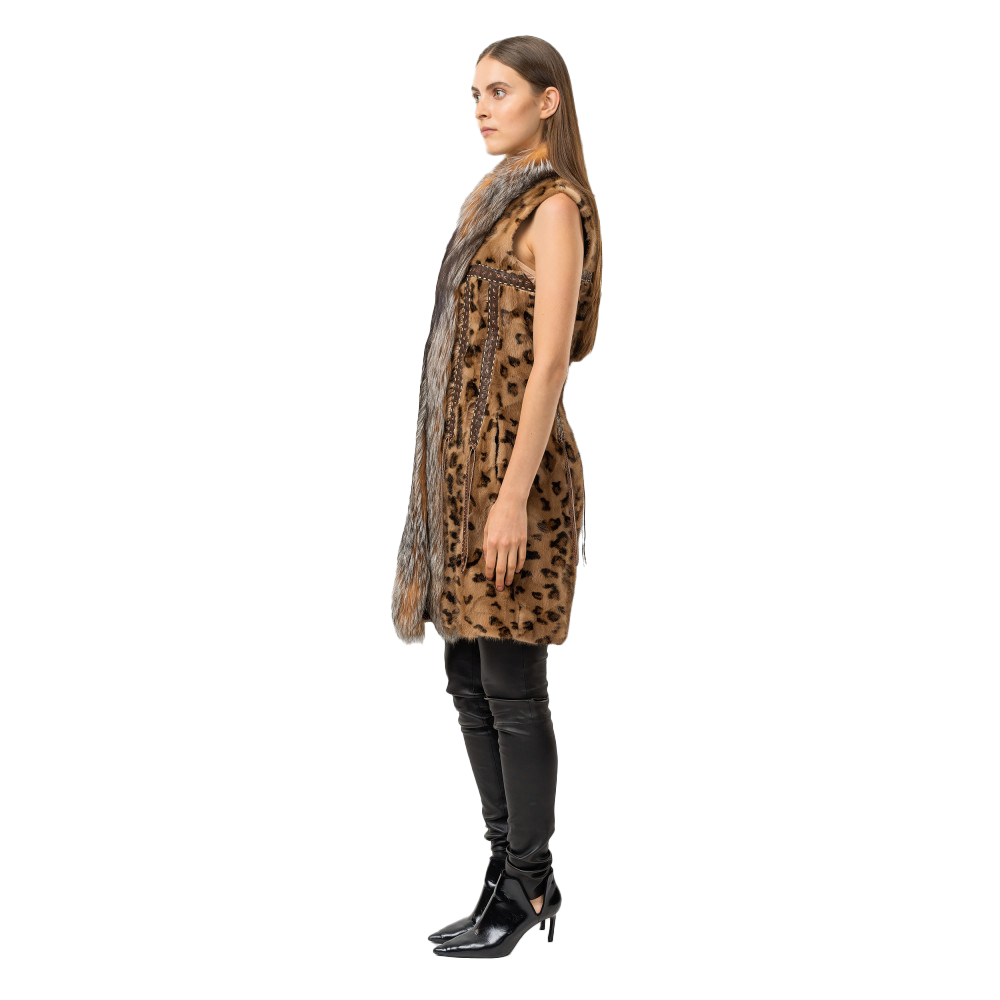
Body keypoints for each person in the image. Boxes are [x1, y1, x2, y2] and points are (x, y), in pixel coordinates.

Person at [391, 35, 603, 959]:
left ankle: (530, 880)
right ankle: (504, 870)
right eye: (475, 92)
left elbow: (550, 363)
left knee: (513, 687)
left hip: (517, 481)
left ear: (548, 101)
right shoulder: (489, 200)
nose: (482, 107)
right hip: (459, 483)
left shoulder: (552, 206)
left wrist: (511, 499)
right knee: (468, 680)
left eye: (501, 91)